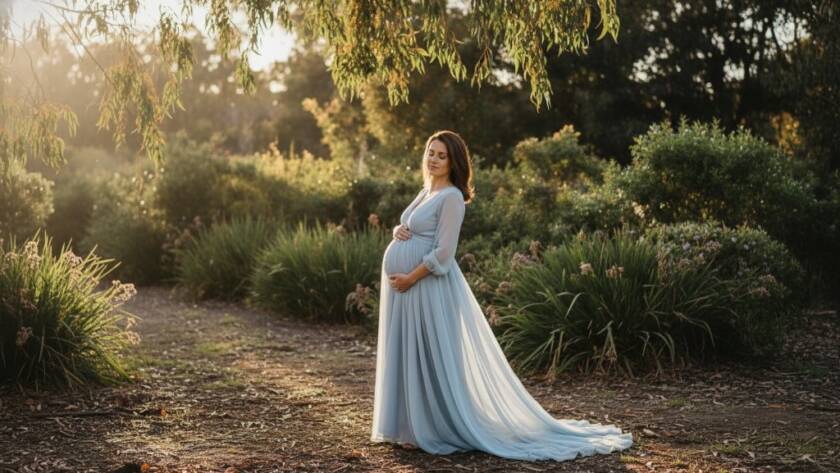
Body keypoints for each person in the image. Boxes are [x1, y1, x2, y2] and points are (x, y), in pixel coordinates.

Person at [370, 130, 633, 461]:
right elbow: (413, 226)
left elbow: (444, 252)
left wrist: (410, 277)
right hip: (406, 289)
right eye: (430, 152)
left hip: (425, 286)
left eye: (441, 155)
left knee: (427, 353)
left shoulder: (451, 196)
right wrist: (398, 230)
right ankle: (409, 426)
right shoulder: (427, 190)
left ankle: (432, 427)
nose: (433, 159)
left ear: (454, 162)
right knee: (409, 351)